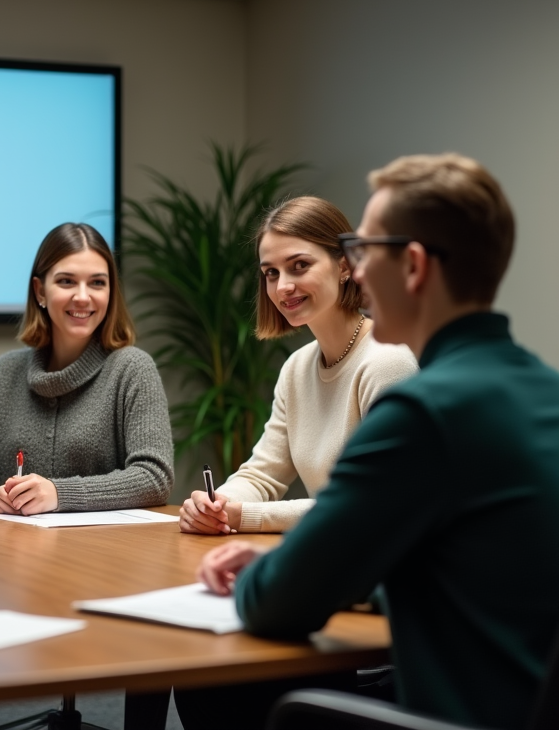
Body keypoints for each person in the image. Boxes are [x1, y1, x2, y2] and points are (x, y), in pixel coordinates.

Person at [198, 154, 559, 730]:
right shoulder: (546, 390)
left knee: (214, 688)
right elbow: (478, 574)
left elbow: (276, 603)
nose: (357, 272)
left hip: (453, 715)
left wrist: (280, 566)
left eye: (364, 253)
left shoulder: (420, 412)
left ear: (412, 266)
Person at [179, 196, 417, 536]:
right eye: (271, 273)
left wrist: (244, 516)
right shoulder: (297, 367)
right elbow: (263, 474)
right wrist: (216, 505)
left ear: (346, 266)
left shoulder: (387, 361)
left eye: (299, 265)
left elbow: (376, 499)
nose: (283, 286)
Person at [0, 222, 174, 514]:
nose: (83, 296)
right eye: (66, 281)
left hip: (103, 552)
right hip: (12, 551)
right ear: (40, 291)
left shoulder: (133, 369)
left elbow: (154, 478)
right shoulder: (7, 372)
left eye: (97, 283)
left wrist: (60, 493)